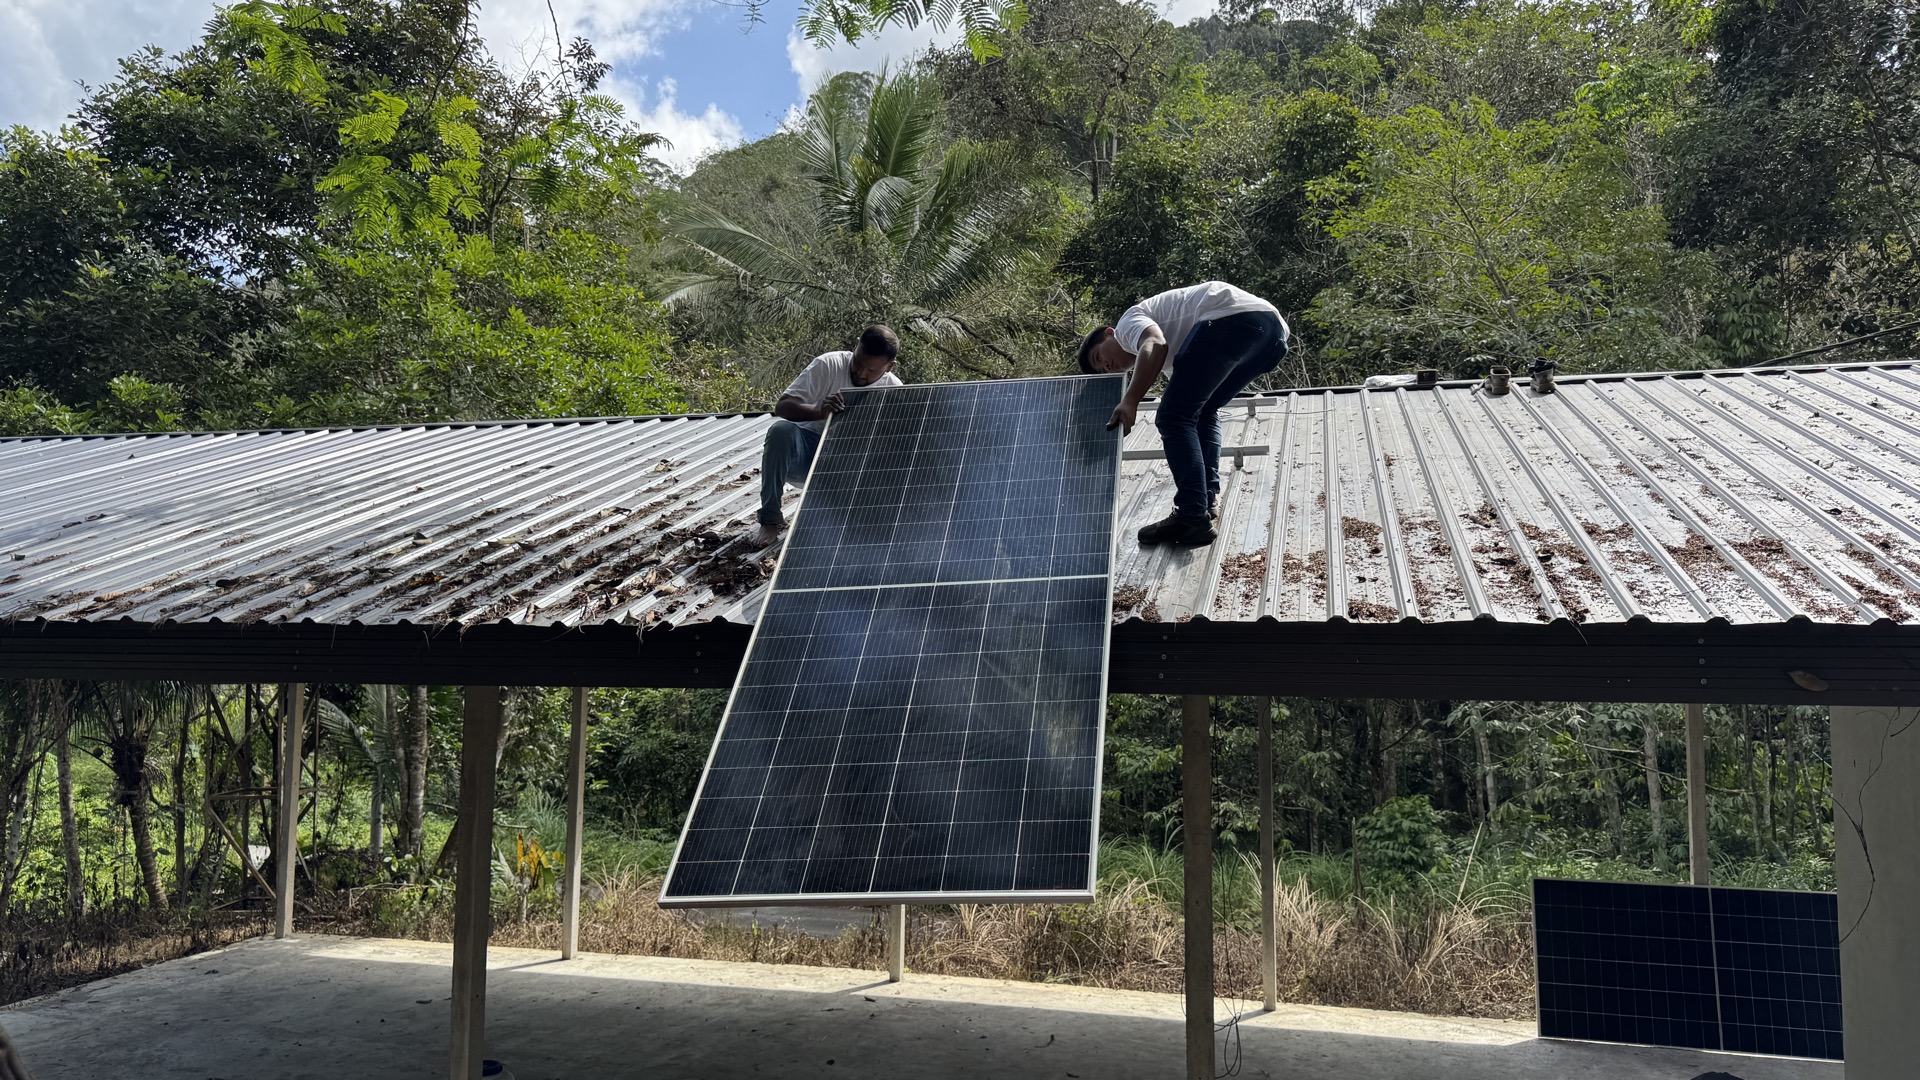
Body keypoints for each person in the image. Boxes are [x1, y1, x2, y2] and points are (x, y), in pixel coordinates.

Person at [1079, 281, 1289, 547]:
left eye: (1098, 357)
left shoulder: (1127, 324)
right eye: (1102, 371)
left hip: (1231, 319)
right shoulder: (1174, 357)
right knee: (1203, 411)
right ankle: (1205, 500)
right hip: (1271, 336)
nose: (1107, 367)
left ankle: (1190, 516)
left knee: (1171, 417)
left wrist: (1130, 400)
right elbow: (1164, 358)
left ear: (1109, 334)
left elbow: (1154, 343)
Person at [753, 325, 903, 545]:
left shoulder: (895, 390)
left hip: (852, 466)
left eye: (871, 371)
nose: (861, 374)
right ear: (855, 347)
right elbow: (783, 407)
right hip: (808, 454)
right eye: (858, 364)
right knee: (780, 431)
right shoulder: (828, 364)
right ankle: (770, 519)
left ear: (889, 367)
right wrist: (818, 411)